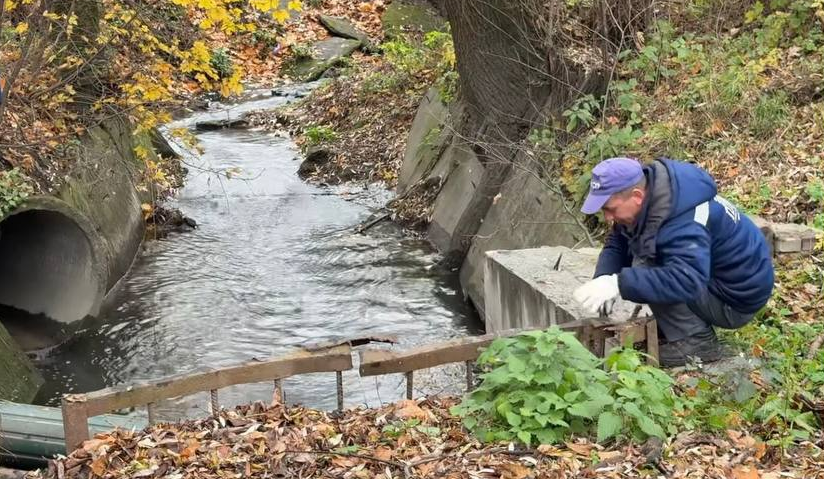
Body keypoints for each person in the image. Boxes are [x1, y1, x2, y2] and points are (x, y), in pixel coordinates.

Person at [572, 157, 774, 367]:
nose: (607, 217)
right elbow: (619, 240)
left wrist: (618, 284)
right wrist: (604, 276)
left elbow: (687, 280)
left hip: (736, 300)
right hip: (716, 276)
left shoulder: (683, 221)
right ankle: (676, 325)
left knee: (647, 262)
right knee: (645, 254)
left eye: (610, 209)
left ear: (637, 196)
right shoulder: (657, 195)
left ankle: (696, 342)